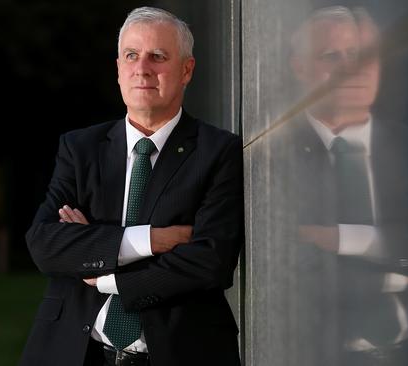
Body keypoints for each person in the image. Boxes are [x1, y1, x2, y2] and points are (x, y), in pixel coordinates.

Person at [19, 7, 243, 366]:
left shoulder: (217, 152)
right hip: (77, 353)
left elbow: (210, 262)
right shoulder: (80, 149)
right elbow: (45, 243)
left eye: (158, 56)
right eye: (132, 56)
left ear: (187, 70)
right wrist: (153, 240)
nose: (143, 68)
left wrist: (102, 271)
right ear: (119, 69)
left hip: (180, 352)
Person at [274, 6, 408, 365]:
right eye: (331, 56)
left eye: (358, 55)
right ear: (300, 67)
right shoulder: (275, 155)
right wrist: (401, 253)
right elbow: (287, 271)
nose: (351, 69)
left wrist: (345, 238)